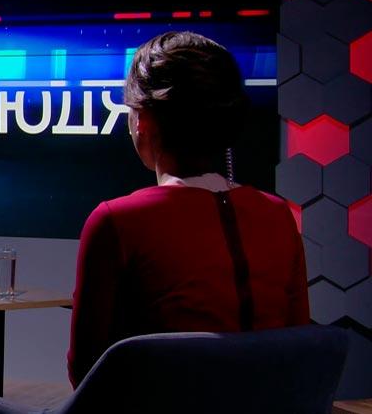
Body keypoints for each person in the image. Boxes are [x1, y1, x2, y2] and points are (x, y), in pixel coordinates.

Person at [67, 31, 309, 388]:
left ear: (143, 120)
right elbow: (300, 353)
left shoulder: (117, 222)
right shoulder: (277, 215)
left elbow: (85, 373)